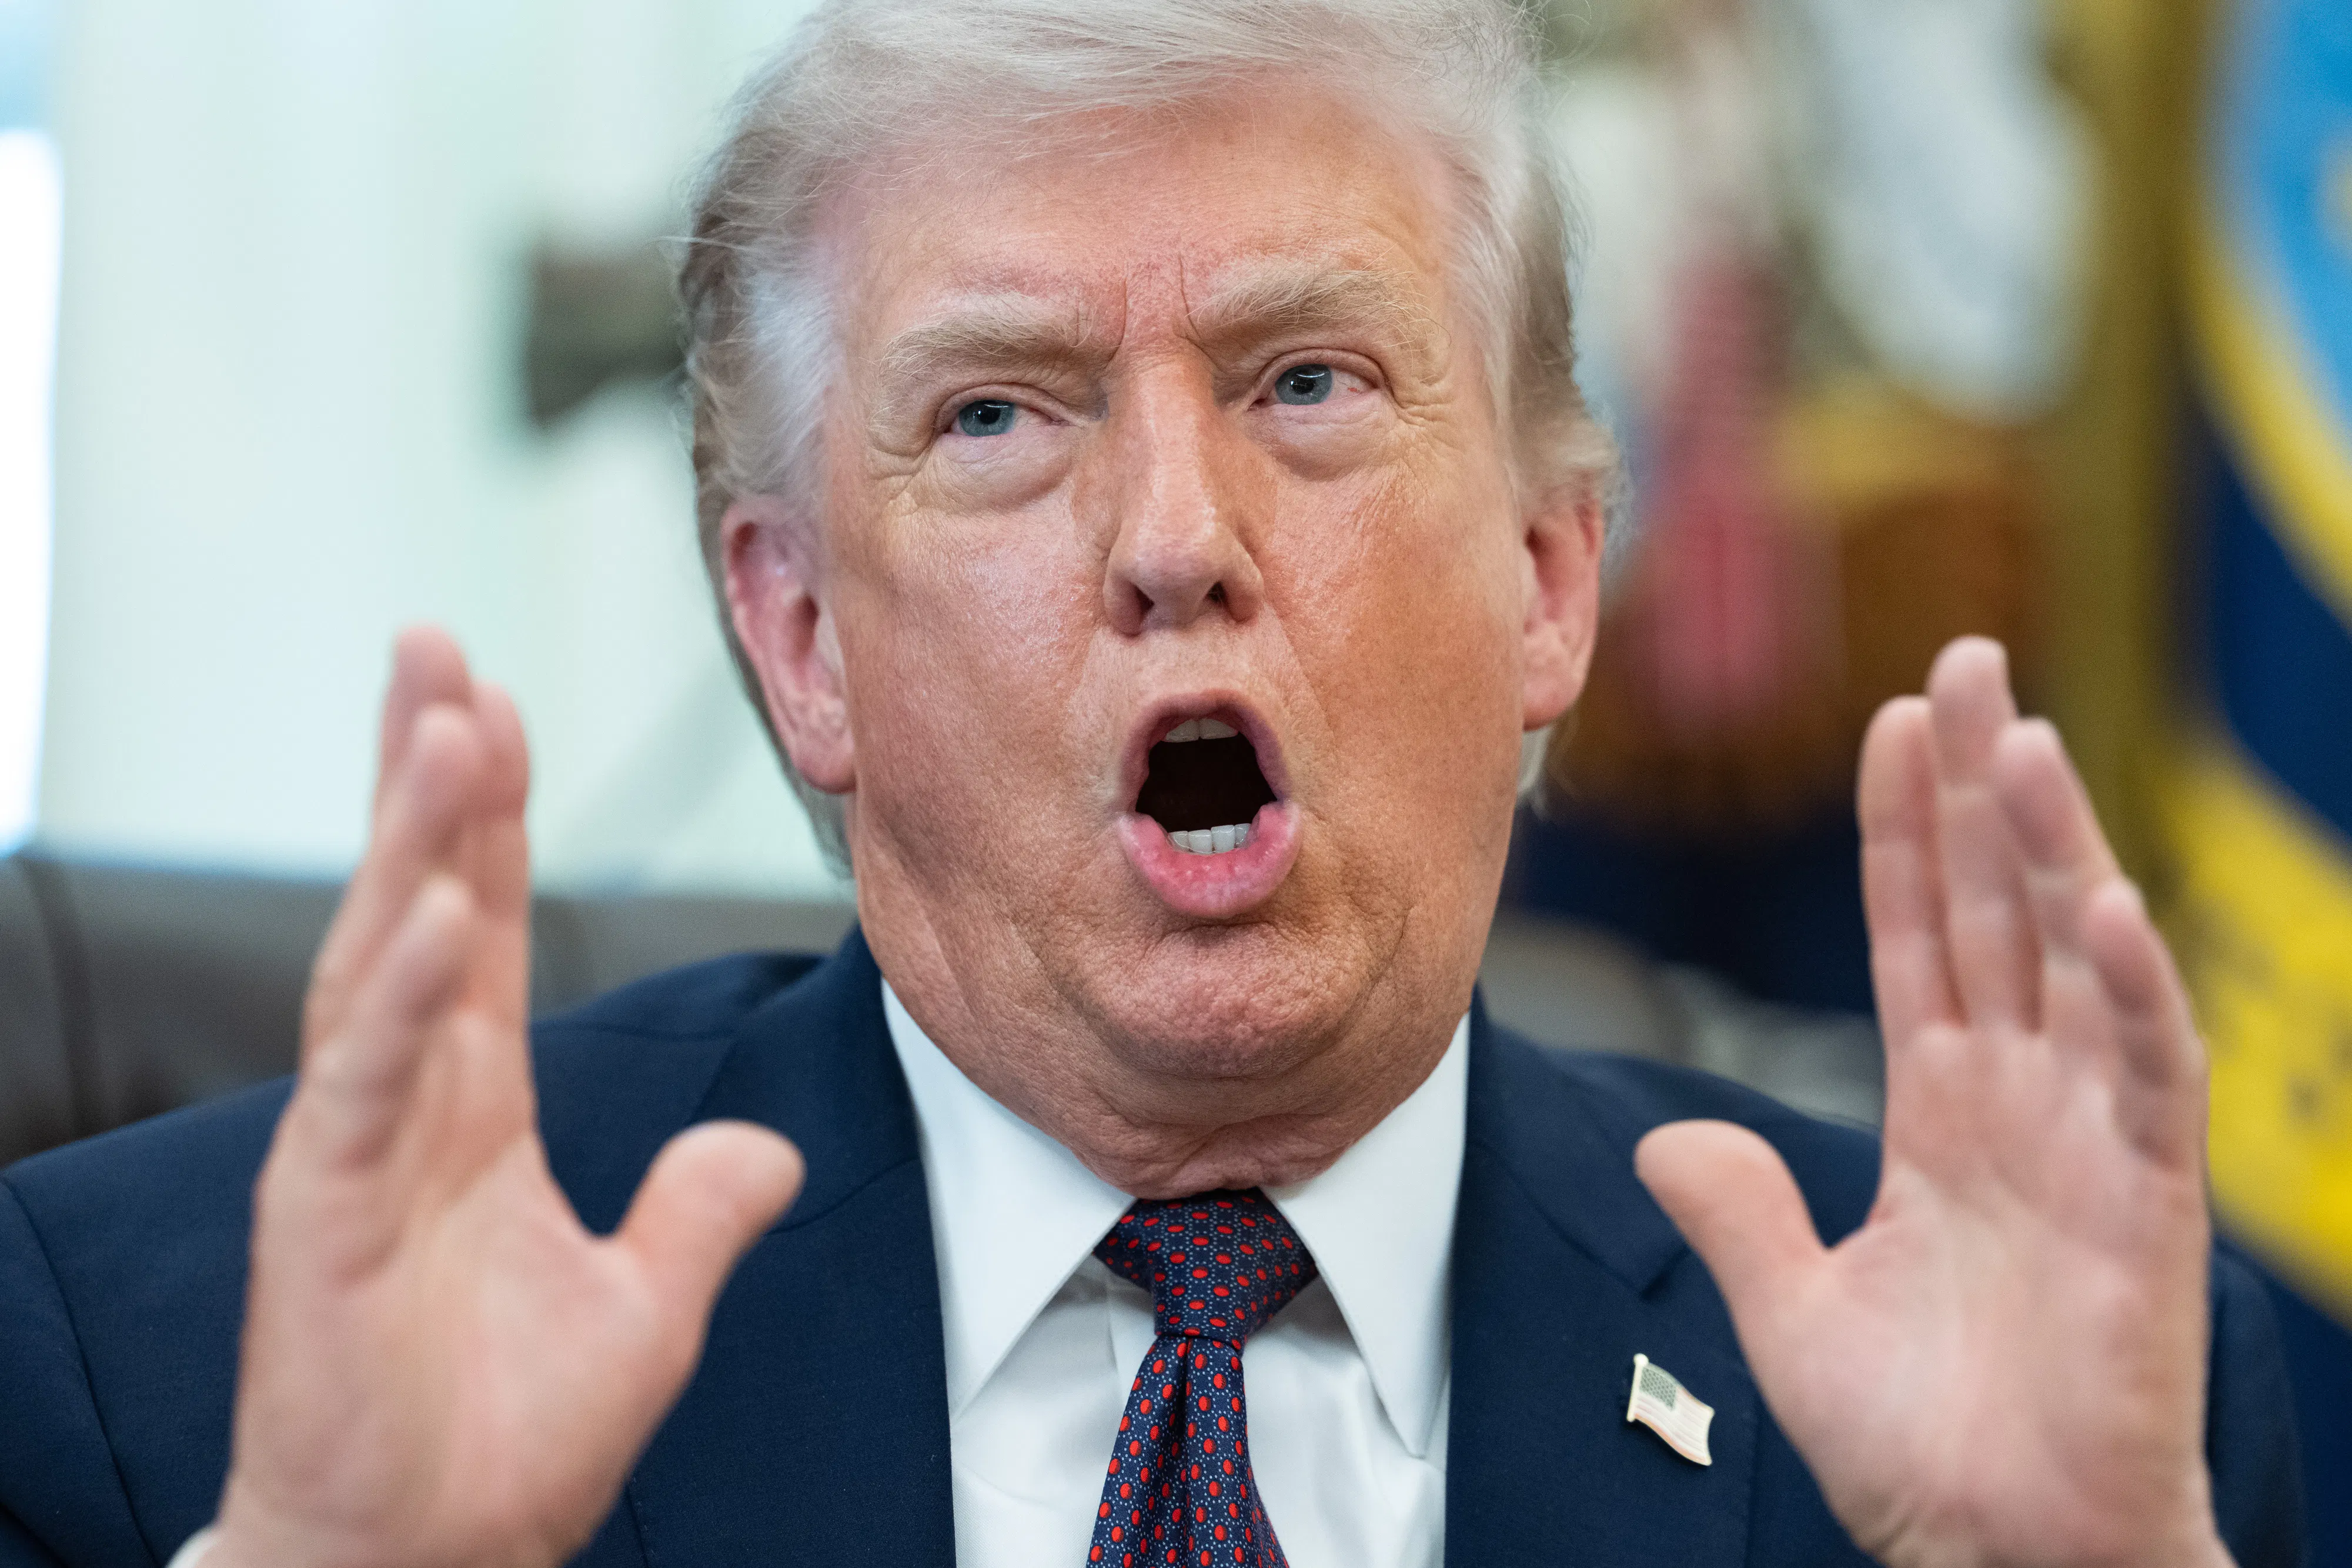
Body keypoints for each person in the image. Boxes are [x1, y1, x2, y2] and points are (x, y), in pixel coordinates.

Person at [0, 2, 2304, 1564]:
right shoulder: (169, 1366)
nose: (1177, 539)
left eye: (1305, 380)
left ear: (1544, 577)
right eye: (997, 415)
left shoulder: (2068, 1392)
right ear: (796, 638)